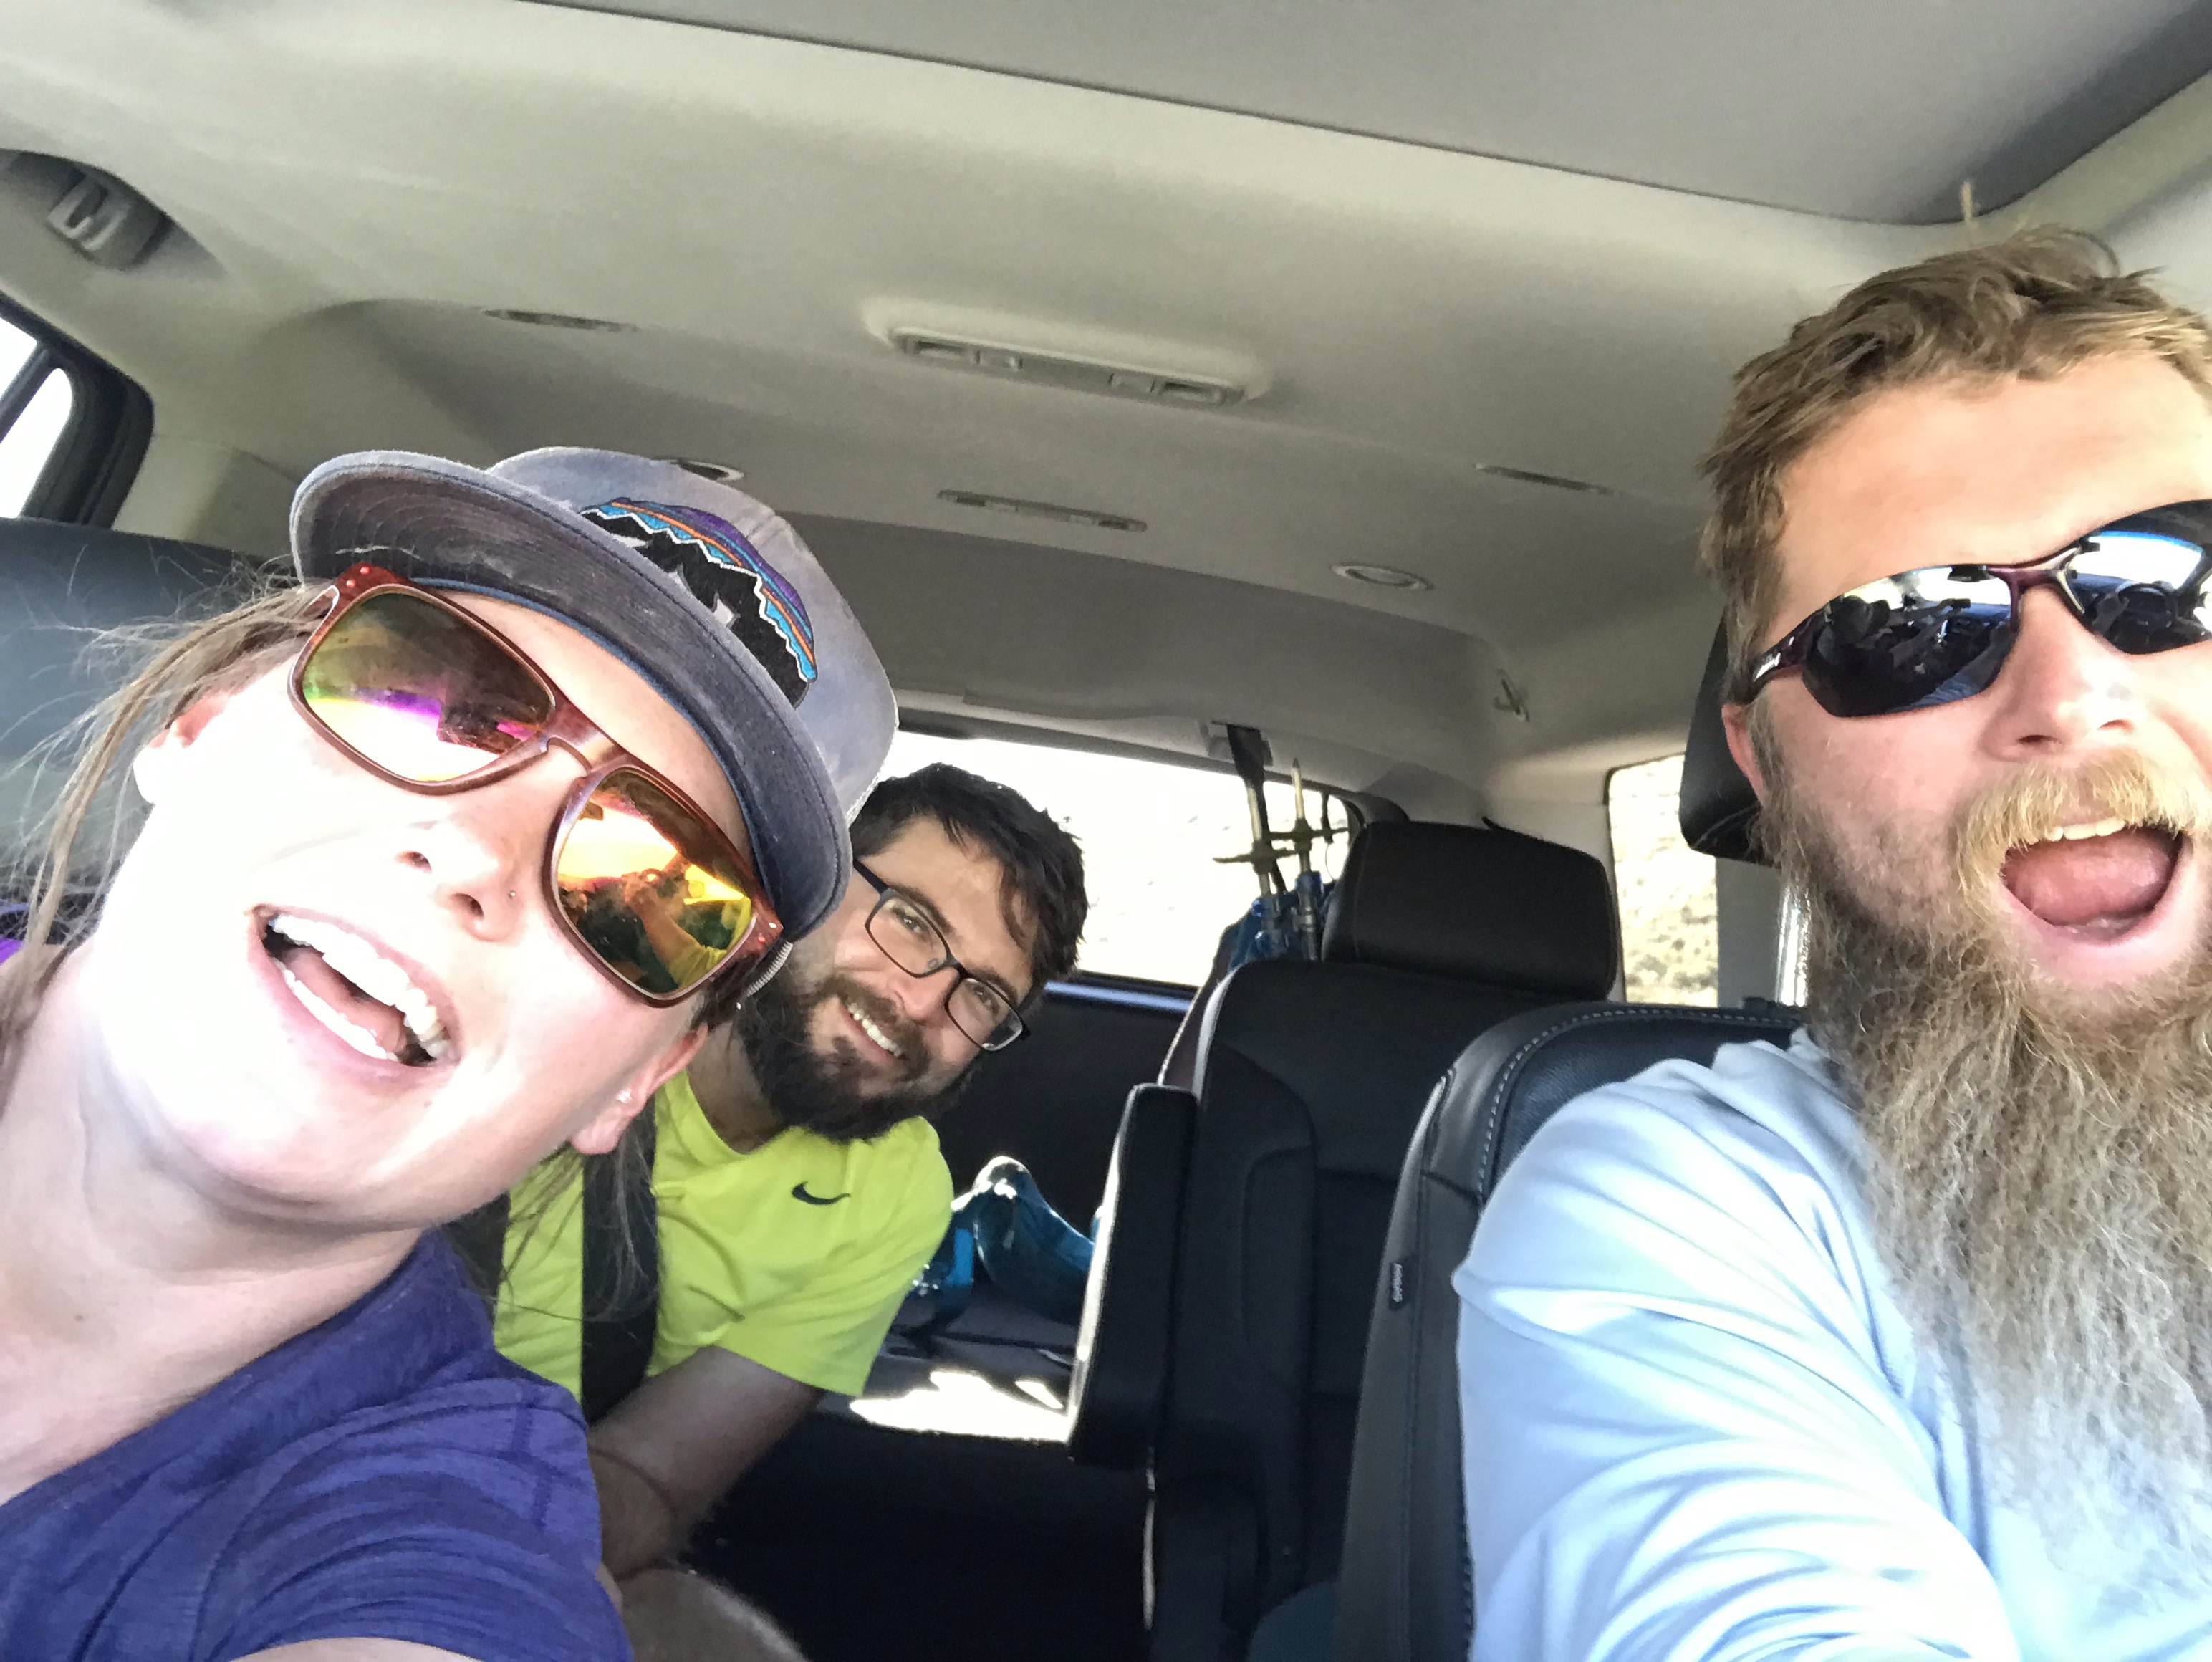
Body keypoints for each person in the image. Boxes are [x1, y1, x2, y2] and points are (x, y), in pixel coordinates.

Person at [0, 446, 894, 1662]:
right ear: (201, 723)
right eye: (425, 691)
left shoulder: (449, 1533)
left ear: (639, 1080)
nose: (478, 857)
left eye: (652, 882)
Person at [1458, 229, 2212, 1658]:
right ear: (1762, 758)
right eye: (1904, 631)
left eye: (2169, 579)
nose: (2071, 693)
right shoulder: (1688, 1205)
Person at [491, 764, 1087, 1606]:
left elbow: (648, 1475)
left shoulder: (897, 1189)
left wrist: (502, 1563)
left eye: (983, 996)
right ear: (810, 880)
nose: (924, 1003)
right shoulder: (591, 993)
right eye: (911, 921)